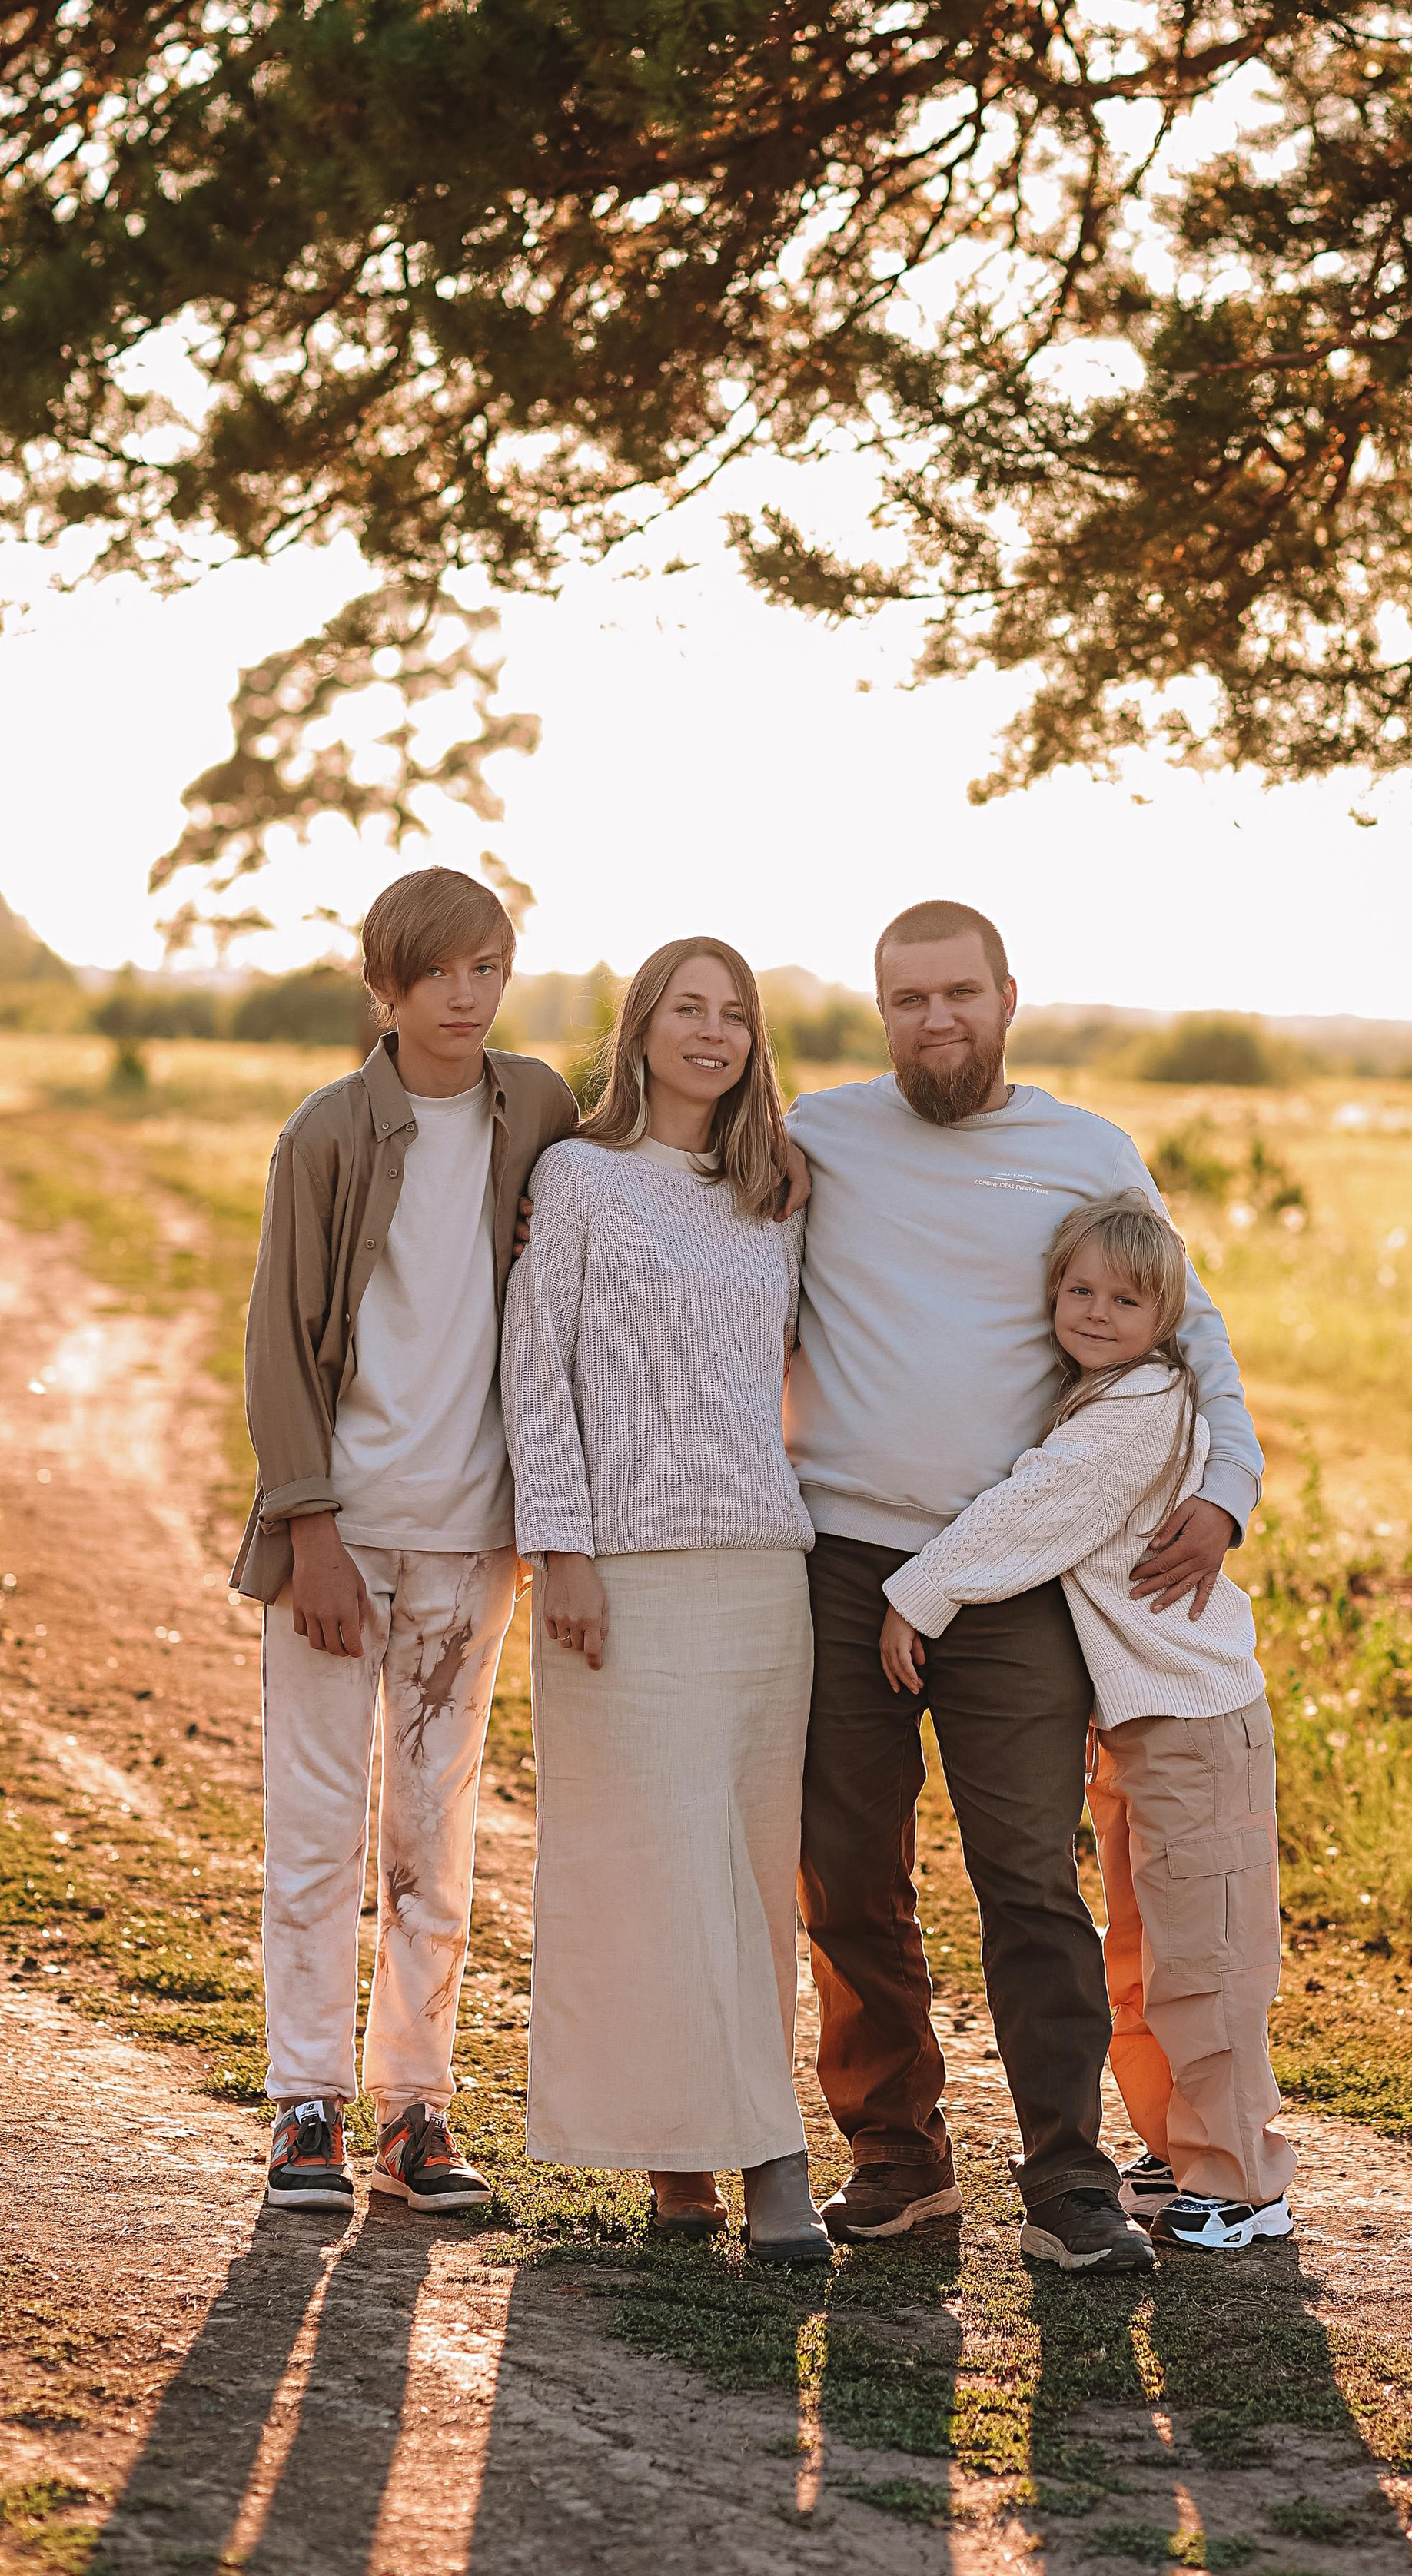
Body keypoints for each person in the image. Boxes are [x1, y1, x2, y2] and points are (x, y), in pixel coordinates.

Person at [788, 898, 1264, 2276]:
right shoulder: (822, 1133)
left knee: (1030, 1882)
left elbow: (1196, 1329)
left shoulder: (1083, 1150)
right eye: (905, 1000)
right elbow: (683, 1183)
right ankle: (898, 2162)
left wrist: (1225, 1492)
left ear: (1008, 995)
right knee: (849, 1875)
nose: (934, 1020)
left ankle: (1066, 2181)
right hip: (842, 1563)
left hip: (1013, 1581)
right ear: (881, 1013)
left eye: (959, 994)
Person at [235, 867, 577, 2215]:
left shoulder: (537, 1105)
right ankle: (304, 2104)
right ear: (387, 986)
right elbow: (278, 1344)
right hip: (344, 1536)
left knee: (434, 1835)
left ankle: (416, 2110)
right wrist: (307, 1525)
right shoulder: (327, 1132)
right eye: (437, 971)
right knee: (317, 1825)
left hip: (471, 1541)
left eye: (487, 968)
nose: (465, 995)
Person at [879, 1193, 1295, 2254]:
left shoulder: (1137, 1407)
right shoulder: (1097, 1395)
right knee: (1143, 1957)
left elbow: (1034, 1508)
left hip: (1198, 1718)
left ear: (1167, 1316)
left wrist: (917, 1593)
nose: (1098, 1312)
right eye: (1078, 1292)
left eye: (1127, 1298)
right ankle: (1180, 2150)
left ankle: (1244, 2183)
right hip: (1143, 1724)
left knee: (1206, 1956)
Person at [500, 937, 829, 2262]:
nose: (712, 1033)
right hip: (619, 1580)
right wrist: (560, 1547)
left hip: (762, 1577)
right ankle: (718, 2164)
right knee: (644, 1874)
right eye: (687, 1010)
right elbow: (536, 1364)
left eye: (734, 1014)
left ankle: (737, 2151)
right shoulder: (576, 1180)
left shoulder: (774, 1191)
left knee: (748, 1877)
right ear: (639, 1030)